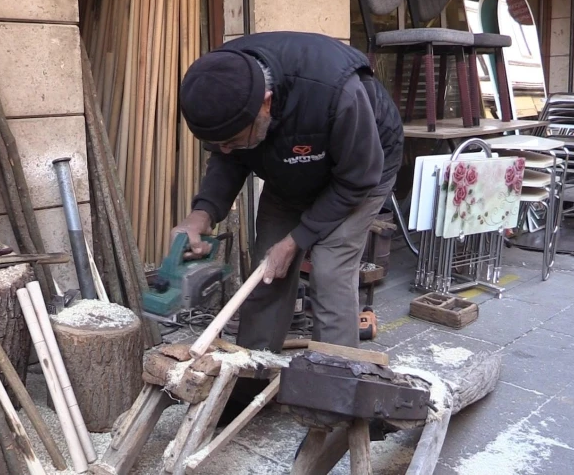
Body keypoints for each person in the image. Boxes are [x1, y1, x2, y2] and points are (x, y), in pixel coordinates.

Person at [172, 30, 404, 415]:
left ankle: (334, 398)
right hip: (292, 169)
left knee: (330, 271)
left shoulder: (335, 91)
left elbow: (357, 178)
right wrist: (201, 213)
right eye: (218, 143)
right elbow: (228, 158)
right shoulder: (226, 85)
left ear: (265, 104)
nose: (225, 149)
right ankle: (248, 385)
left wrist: (298, 239)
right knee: (267, 270)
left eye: (232, 139)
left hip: (361, 171)